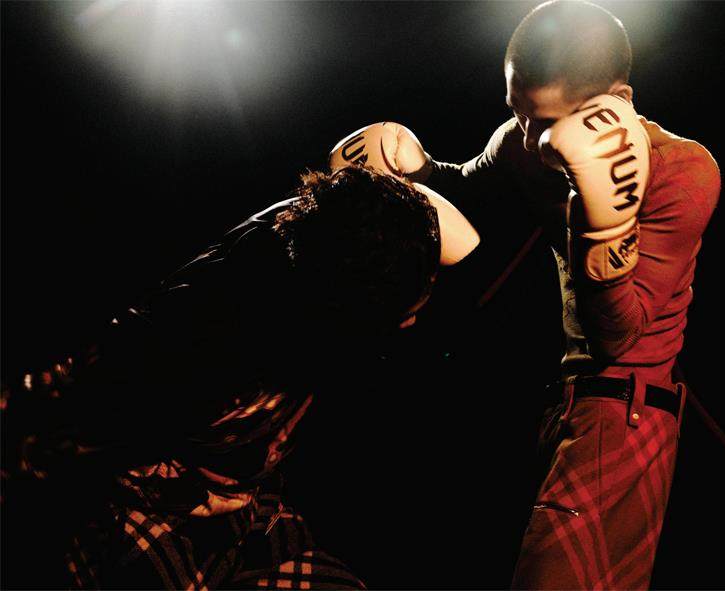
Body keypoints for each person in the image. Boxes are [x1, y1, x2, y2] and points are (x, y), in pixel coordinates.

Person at [338, 1, 721, 588]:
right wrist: (421, 172)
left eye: (544, 121)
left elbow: (620, 338)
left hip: (628, 407)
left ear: (617, 99)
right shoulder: (522, 141)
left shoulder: (684, 172)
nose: (529, 137)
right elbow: (472, 185)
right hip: (557, 398)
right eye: (517, 113)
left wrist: (601, 229)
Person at [1, 166, 478, 589]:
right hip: (136, 496)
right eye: (407, 307)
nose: (413, 319)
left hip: (228, 496)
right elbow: (80, 432)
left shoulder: (316, 235)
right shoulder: (209, 355)